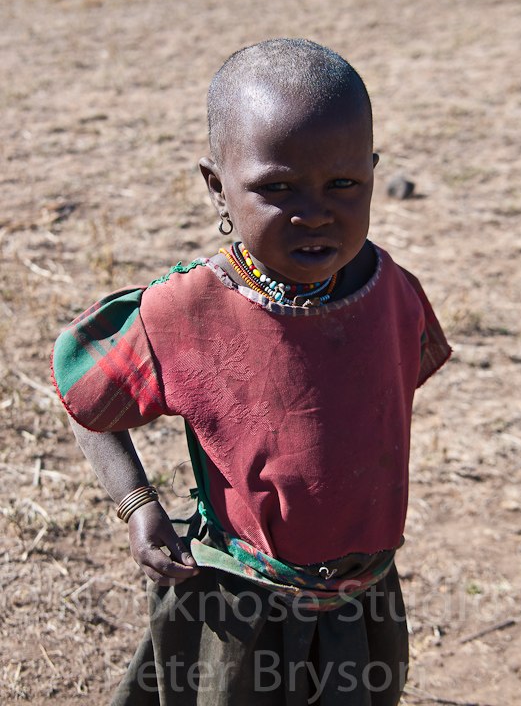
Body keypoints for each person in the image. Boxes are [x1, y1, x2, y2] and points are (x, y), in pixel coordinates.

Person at [51, 38, 451, 706]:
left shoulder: (391, 291)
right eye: (277, 188)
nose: (314, 212)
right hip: (239, 608)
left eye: (343, 184)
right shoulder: (185, 311)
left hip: (363, 600)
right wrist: (137, 505)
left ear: (372, 173)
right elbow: (83, 396)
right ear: (218, 187)